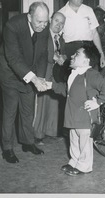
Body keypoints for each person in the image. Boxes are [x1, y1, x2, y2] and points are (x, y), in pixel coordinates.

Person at [0, 1, 50, 163]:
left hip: (29, 72)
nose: (42, 26)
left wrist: (39, 77)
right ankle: (7, 148)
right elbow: (13, 58)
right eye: (39, 22)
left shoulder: (44, 27)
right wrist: (34, 79)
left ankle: (28, 143)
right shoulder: (12, 26)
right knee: (10, 111)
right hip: (10, 73)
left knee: (28, 111)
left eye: (45, 21)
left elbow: (42, 54)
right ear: (29, 17)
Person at [55, 44, 105, 176]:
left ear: (86, 61)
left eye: (77, 54)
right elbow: (66, 90)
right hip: (73, 115)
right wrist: (50, 85)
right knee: (74, 140)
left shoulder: (91, 74)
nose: (72, 56)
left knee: (84, 143)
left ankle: (84, 166)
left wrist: (98, 102)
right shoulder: (74, 74)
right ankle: (74, 161)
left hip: (85, 117)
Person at [33, 12, 67, 145]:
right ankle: (37, 134)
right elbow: (39, 53)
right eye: (56, 21)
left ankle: (50, 131)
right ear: (50, 20)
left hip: (55, 75)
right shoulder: (42, 35)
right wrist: (54, 57)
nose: (59, 24)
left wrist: (63, 57)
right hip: (43, 73)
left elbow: (62, 55)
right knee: (41, 104)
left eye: (62, 23)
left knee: (53, 104)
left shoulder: (61, 39)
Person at [58, 0, 105, 69]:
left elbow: (94, 33)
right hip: (70, 50)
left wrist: (101, 53)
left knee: (90, 78)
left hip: (89, 48)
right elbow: (57, 37)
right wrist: (61, 54)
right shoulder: (61, 13)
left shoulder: (89, 10)